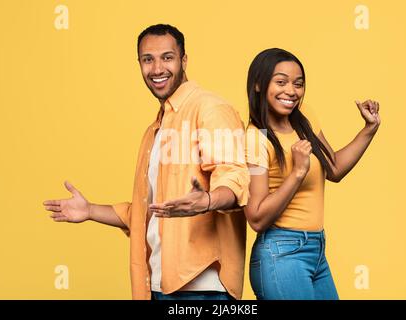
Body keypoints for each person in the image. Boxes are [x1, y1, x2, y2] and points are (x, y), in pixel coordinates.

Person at [43, 24, 249, 300]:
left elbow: (234, 177)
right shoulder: (155, 130)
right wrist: (90, 210)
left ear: (184, 60)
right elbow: (146, 214)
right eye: (147, 59)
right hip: (157, 284)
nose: (156, 69)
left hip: (201, 287)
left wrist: (208, 200)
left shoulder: (210, 108)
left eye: (167, 57)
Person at [244, 48, 381, 300]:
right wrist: (297, 173)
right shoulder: (255, 138)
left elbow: (335, 168)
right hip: (281, 254)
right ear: (258, 85)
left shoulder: (304, 115)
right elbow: (256, 218)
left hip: (316, 249)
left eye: (298, 84)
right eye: (281, 82)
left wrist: (369, 129)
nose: (291, 91)